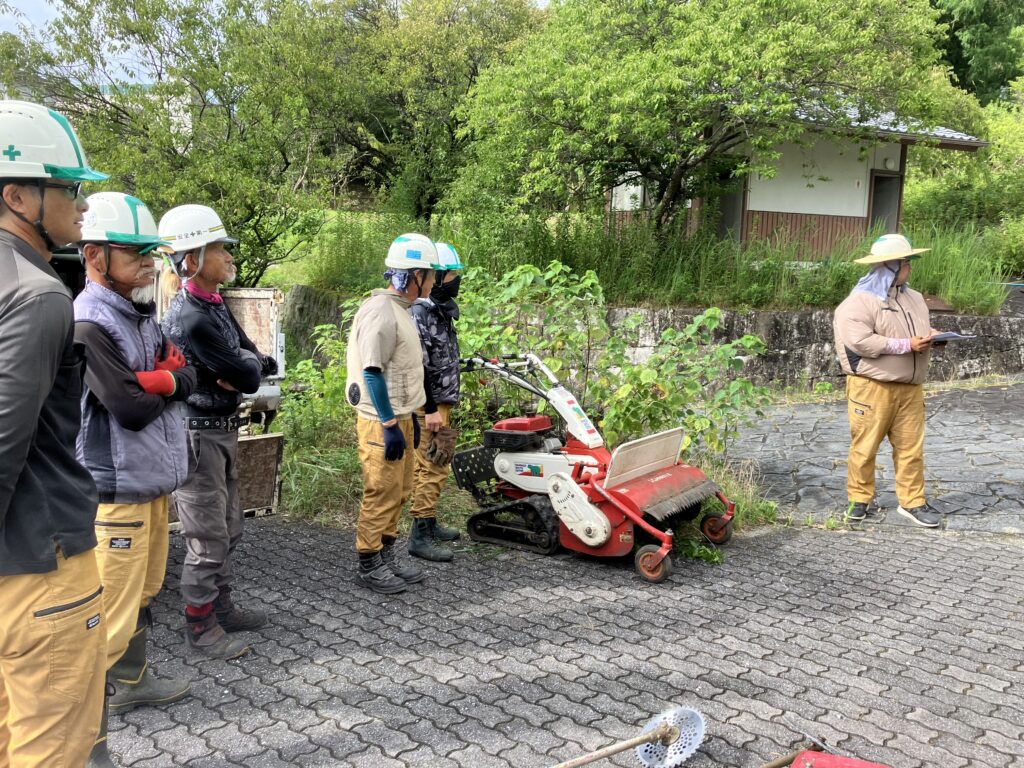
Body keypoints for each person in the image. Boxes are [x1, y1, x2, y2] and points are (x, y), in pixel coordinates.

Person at [0, 99, 107, 767]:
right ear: (16, 195)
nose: (80, 203)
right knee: (52, 746)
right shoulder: (37, 296)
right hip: (43, 562)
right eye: (68, 187)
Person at [74, 192, 196, 767]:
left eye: (152, 253)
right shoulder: (90, 321)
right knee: (111, 615)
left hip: (153, 482)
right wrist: (162, 382)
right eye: (137, 253)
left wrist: (162, 379)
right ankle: (88, 744)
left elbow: (187, 373)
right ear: (96, 255)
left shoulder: (139, 312)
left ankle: (133, 678)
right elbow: (126, 407)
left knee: (143, 594)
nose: (150, 264)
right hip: (117, 490)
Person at [159, 204, 276, 658]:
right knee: (207, 536)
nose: (229, 256)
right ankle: (201, 627)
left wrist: (246, 367)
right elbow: (249, 374)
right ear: (191, 259)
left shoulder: (214, 304)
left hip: (222, 430)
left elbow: (259, 362)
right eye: (219, 248)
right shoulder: (190, 316)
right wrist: (245, 368)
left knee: (229, 526)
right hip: (198, 436)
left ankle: (221, 606)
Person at [345, 233, 440, 593]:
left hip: (402, 416)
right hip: (379, 419)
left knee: (400, 490)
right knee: (381, 490)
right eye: (428, 274)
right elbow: (372, 371)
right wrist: (387, 424)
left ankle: (386, 555)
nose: (432, 280)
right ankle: (368, 562)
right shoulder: (380, 312)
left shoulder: (400, 311)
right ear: (412, 275)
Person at [833, 233, 943, 528]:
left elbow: (915, 328)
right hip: (871, 387)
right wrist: (908, 345)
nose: (910, 267)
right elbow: (859, 341)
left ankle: (913, 502)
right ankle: (859, 498)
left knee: (911, 448)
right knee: (865, 446)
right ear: (892, 265)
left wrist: (933, 336)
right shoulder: (859, 302)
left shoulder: (914, 297)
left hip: (910, 387)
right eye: (907, 262)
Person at [408, 242, 465, 561]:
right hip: (427, 404)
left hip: (440, 401)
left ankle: (428, 522)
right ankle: (419, 535)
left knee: (438, 462)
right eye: (451, 274)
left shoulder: (439, 311)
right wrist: (430, 408)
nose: (456, 280)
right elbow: (420, 365)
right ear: (437, 276)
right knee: (430, 464)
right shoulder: (419, 312)